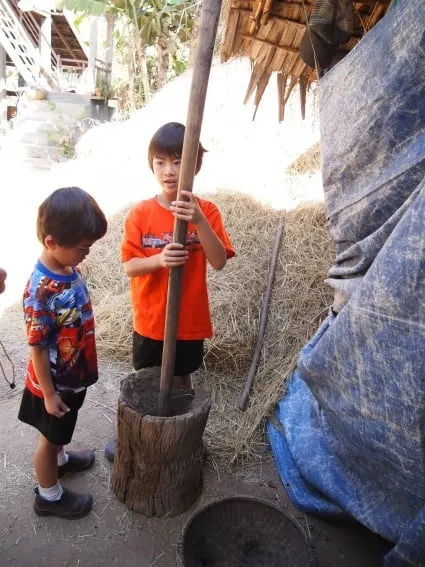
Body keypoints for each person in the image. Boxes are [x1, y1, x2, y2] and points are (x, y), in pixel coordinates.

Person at [105, 122, 235, 462]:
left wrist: (199, 221)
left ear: (195, 165)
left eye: (178, 161)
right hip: (151, 321)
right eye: (160, 162)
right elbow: (130, 266)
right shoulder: (141, 214)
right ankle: (134, 440)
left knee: (181, 381)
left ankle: (182, 440)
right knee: (145, 383)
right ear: (152, 166)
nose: (169, 170)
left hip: (188, 321)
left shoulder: (207, 211)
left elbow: (219, 261)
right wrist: (159, 259)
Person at [18, 187, 107, 519]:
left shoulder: (68, 268)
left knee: (61, 432)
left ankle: (61, 461)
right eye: (82, 248)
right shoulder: (40, 291)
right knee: (48, 437)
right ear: (52, 242)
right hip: (53, 385)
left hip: (72, 378)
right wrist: (49, 394)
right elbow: (38, 348)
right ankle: (48, 496)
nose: (86, 253)